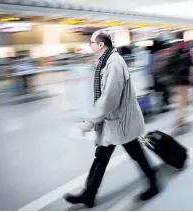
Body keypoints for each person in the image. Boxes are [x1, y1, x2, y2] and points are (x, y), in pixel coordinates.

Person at [63, 30, 159, 208]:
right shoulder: (107, 61)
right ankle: (89, 194)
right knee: (103, 156)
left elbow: (109, 98)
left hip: (121, 120)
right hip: (114, 121)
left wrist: (90, 121)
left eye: (91, 42)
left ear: (101, 45)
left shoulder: (113, 63)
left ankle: (153, 183)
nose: (89, 45)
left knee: (133, 152)